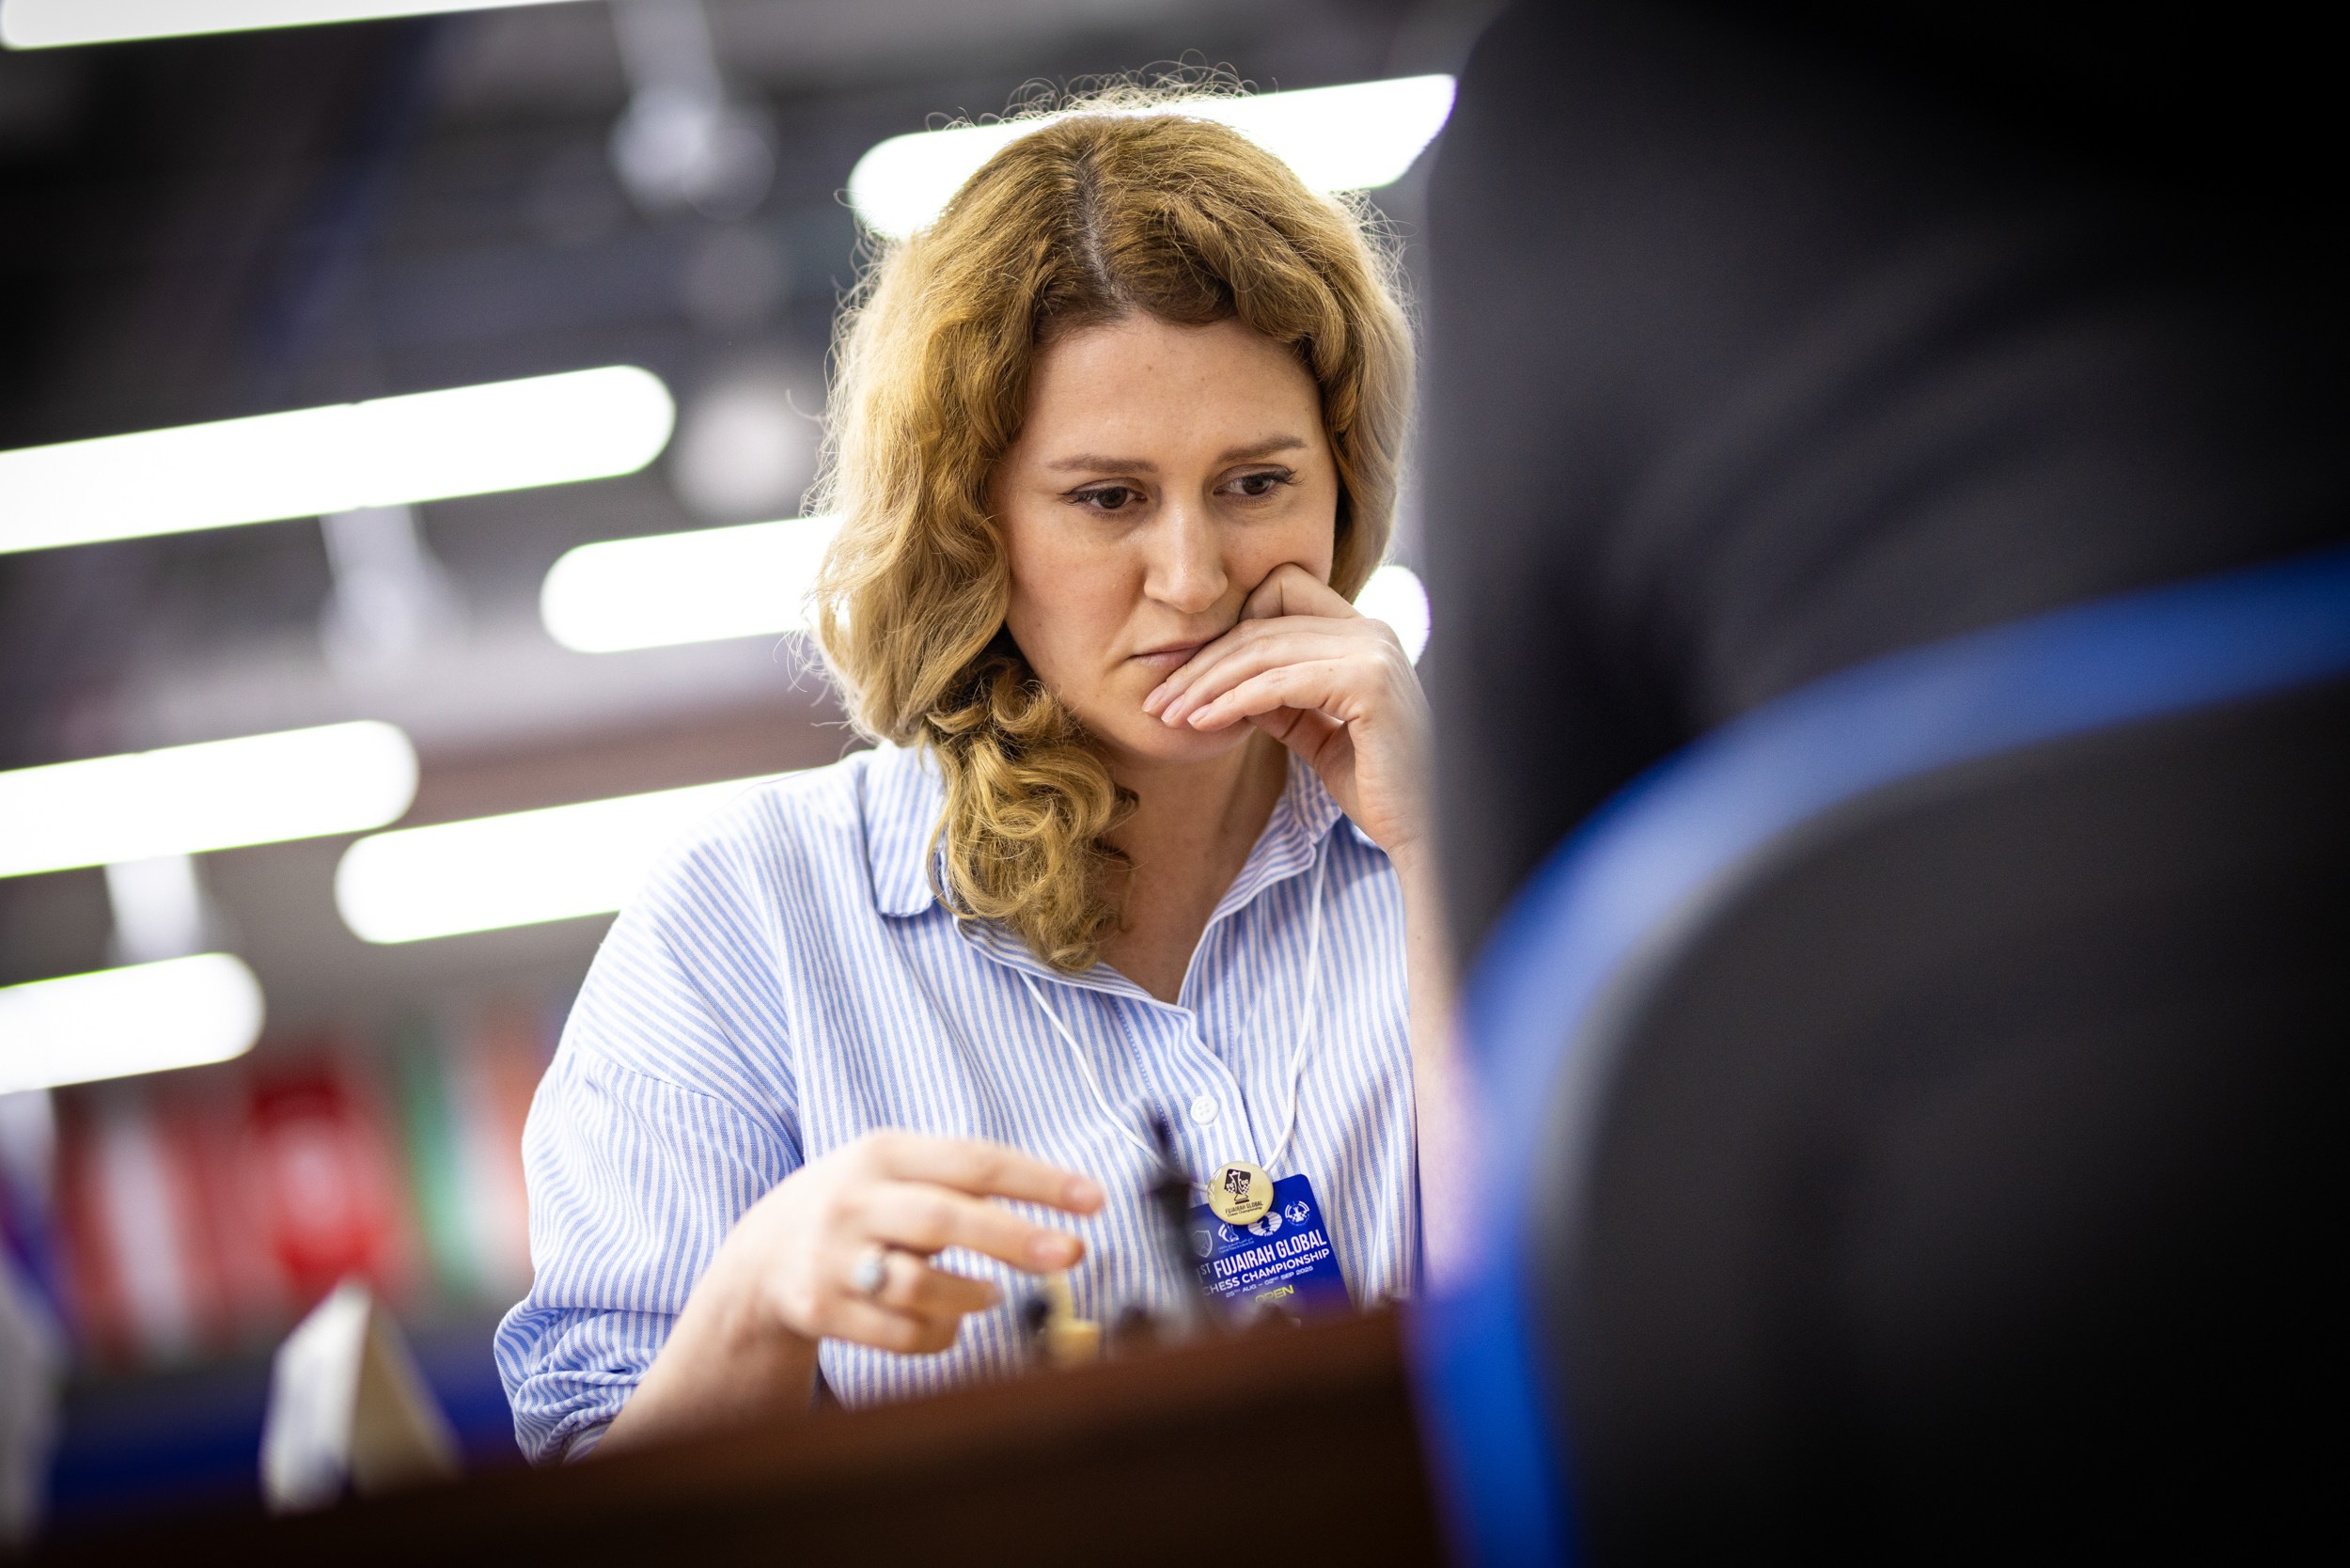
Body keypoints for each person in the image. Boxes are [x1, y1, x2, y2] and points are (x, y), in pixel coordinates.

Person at [494, 102, 1464, 1463]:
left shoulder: (1473, 824)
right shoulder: (746, 926)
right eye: (1108, 499)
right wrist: (757, 1305)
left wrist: (1441, 855)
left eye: (1255, 484)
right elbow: (595, 1495)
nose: (1194, 579)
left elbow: (1595, 1317)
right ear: (968, 521)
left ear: (1345, 488)